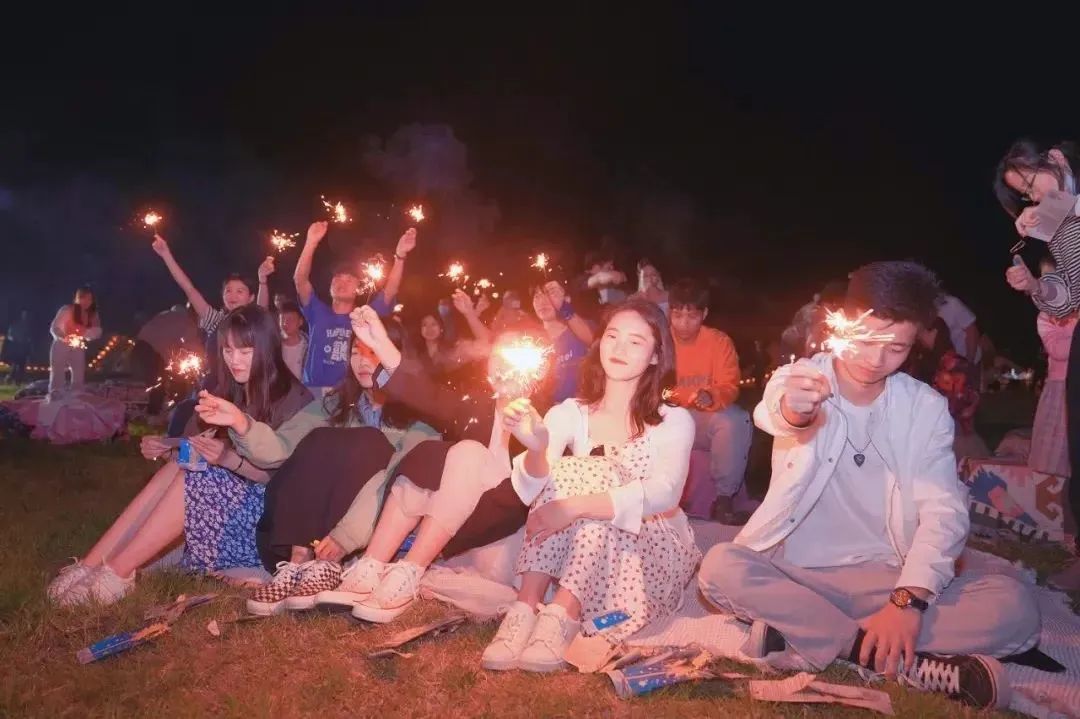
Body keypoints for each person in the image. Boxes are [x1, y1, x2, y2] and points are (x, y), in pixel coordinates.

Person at [698, 261, 1040, 710]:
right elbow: (777, 412)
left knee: (1015, 607)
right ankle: (878, 653)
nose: (875, 360)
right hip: (799, 575)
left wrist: (904, 604)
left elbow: (945, 512)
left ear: (916, 341)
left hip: (885, 578)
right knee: (719, 566)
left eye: (896, 348)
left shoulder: (924, 408)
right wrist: (796, 409)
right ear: (845, 322)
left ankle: (813, 633)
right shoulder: (803, 377)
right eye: (867, 339)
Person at [481, 298, 698, 673]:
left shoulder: (673, 420)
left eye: (635, 341)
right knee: (565, 471)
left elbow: (665, 493)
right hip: (583, 550)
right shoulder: (569, 412)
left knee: (594, 471)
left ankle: (562, 612)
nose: (619, 348)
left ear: (654, 356)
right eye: (612, 336)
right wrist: (535, 448)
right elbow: (534, 488)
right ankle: (526, 608)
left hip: (649, 550)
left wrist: (574, 506)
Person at [47, 305, 312, 606]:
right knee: (178, 466)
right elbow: (204, 448)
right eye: (228, 350)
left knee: (197, 472)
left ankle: (117, 575)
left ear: (265, 349)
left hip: (265, 521)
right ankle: (92, 564)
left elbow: (282, 480)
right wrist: (171, 447)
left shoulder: (294, 400)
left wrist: (227, 460)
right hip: (226, 498)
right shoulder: (233, 388)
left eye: (245, 351)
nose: (234, 360)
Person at [196, 310, 438, 614]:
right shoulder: (333, 403)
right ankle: (297, 563)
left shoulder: (419, 422)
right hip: (288, 539)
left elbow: (395, 481)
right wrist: (240, 422)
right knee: (319, 435)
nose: (363, 362)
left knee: (368, 441)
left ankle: (324, 566)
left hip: (353, 541)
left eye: (374, 353)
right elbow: (280, 449)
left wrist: (345, 536)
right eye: (355, 352)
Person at [321, 311, 536, 623]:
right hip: (460, 532)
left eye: (516, 354)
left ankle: (410, 571)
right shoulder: (476, 408)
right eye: (499, 355)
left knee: (470, 452)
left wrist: (535, 439)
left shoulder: (547, 421)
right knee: (430, 451)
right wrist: (380, 344)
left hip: (506, 542)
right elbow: (426, 394)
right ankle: (371, 568)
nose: (505, 365)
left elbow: (530, 497)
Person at [997, 138, 1080, 589]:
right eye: (1026, 196)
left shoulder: (1068, 212)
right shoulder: (1062, 224)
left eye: (1030, 183)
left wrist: (1065, 211)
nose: (1033, 200)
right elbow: (1069, 298)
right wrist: (1032, 284)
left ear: (1058, 161)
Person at [150, 233, 265, 435]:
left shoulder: (254, 324)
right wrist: (166, 254)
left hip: (243, 394)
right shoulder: (216, 320)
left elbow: (262, 310)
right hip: (210, 389)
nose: (232, 295)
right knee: (183, 416)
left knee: (223, 440)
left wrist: (263, 281)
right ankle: (181, 460)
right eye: (228, 291)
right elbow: (189, 288)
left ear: (251, 297)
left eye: (240, 291)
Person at [666, 279, 752, 524]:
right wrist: (682, 398)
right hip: (667, 417)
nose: (683, 323)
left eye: (691, 316)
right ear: (669, 313)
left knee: (735, 419)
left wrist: (711, 396)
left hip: (702, 418)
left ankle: (723, 501)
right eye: (677, 315)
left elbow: (729, 385)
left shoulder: (719, 342)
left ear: (704, 314)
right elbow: (655, 390)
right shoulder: (660, 341)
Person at [294, 222, 414, 391]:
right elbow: (300, 281)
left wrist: (400, 256)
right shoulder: (317, 312)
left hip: (351, 394)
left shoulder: (365, 316)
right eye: (338, 278)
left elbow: (390, 291)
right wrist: (311, 242)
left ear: (358, 289)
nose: (342, 283)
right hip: (313, 392)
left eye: (349, 280)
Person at [1030, 258, 1077, 545]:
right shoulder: (1046, 318)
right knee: (1065, 471)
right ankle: (1070, 540)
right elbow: (1060, 351)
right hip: (1062, 395)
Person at [531, 281, 594, 405]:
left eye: (549, 294)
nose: (542, 302)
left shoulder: (580, 328)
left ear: (566, 298)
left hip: (584, 410)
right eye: (537, 296)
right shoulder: (530, 341)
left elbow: (594, 341)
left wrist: (564, 308)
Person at [48, 287, 101, 395]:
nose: (87, 302)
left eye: (89, 299)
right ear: (77, 299)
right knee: (57, 372)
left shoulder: (92, 314)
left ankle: (77, 395)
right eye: (84, 298)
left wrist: (85, 334)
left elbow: (97, 331)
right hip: (61, 345)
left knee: (78, 372)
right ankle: (56, 394)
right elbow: (54, 327)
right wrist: (63, 336)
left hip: (78, 345)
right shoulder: (67, 310)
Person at [937, 294, 982, 365]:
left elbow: (972, 331)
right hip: (946, 366)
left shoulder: (951, 303)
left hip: (970, 360)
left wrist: (969, 362)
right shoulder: (921, 312)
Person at [277, 301, 307, 382]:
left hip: (303, 391)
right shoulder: (274, 346)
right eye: (282, 319)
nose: (285, 323)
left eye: (290, 319)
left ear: (300, 321)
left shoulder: (310, 346)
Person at [4, 309, 32, 384]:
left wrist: (26, 343)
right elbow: (9, 336)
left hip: (23, 349)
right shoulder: (15, 325)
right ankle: (9, 379)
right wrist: (15, 339)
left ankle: (17, 381)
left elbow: (29, 339)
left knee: (22, 366)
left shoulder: (27, 327)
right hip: (16, 349)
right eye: (24, 314)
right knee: (14, 366)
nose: (25, 316)